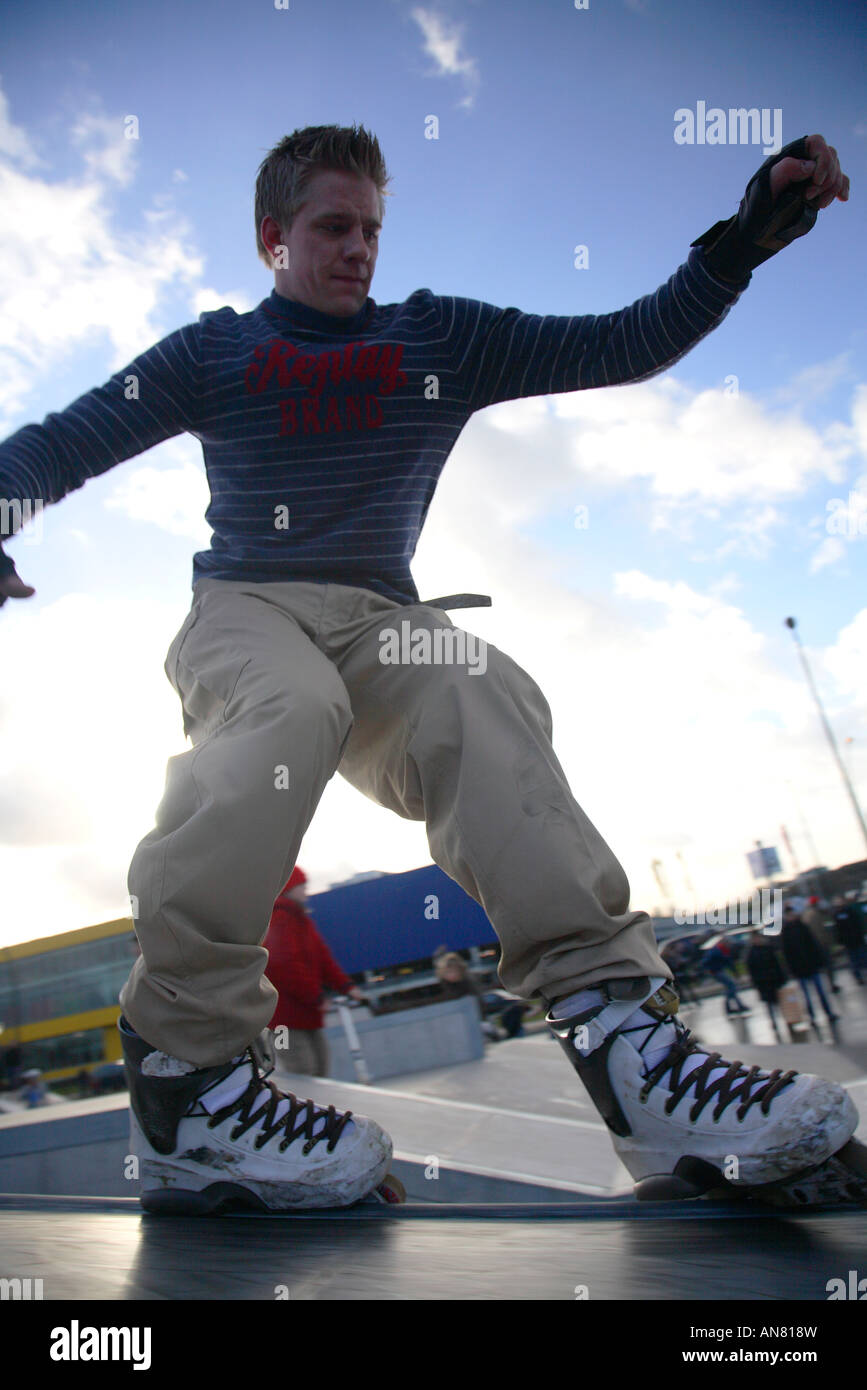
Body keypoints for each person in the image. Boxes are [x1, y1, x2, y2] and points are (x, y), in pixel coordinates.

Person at [0, 124, 858, 1212]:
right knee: (289, 707)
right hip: (246, 608)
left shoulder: (437, 336)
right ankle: (186, 1082)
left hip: (380, 617)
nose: (358, 249)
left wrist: (739, 244)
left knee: (474, 686)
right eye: (331, 227)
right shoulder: (212, 354)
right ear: (274, 238)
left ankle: (634, 1058)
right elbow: (61, 442)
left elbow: (624, 341)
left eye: (371, 228)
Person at [263, 866, 362, 1077]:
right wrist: (316, 997)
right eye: (301, 886)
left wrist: (346, 986)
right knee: (303, 1073)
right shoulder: (280, 918)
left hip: (306, 1014)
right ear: (289, 888)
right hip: (284, 1021)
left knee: (319, 1071)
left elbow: (323, 959)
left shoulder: (301, 919)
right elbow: (284, 965)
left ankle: (313, 1109)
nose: (306, 890)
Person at [780, 904, 840, 1026]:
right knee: (807, 995)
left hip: (810, 966)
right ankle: (813, 1016)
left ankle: (827, 1013)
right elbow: (787, 954)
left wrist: (818, 961)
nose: (790, 917)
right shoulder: (788, 932)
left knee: (819, 992)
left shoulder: (801, 927)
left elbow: (813, 945)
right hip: (801, 968)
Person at [745, 930, 788, 1039]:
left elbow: (776, 963)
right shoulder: (751, 953)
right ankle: (774, 1021)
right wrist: (756, 982)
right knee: (769, 1004)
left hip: (772, 980)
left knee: (778, 1002)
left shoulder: (767, 949)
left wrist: (781, 977)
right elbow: (751, 970)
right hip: (763, 982)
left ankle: (785, 1019)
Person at [832, 895, 867, 985]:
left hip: (855, 939)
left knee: (860, 958)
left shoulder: (849, 912)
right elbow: (838, 929)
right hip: (850, 941)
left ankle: (860, 976)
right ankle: (858, 977)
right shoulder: (837, 915)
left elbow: (857, 923)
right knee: (855, 960)